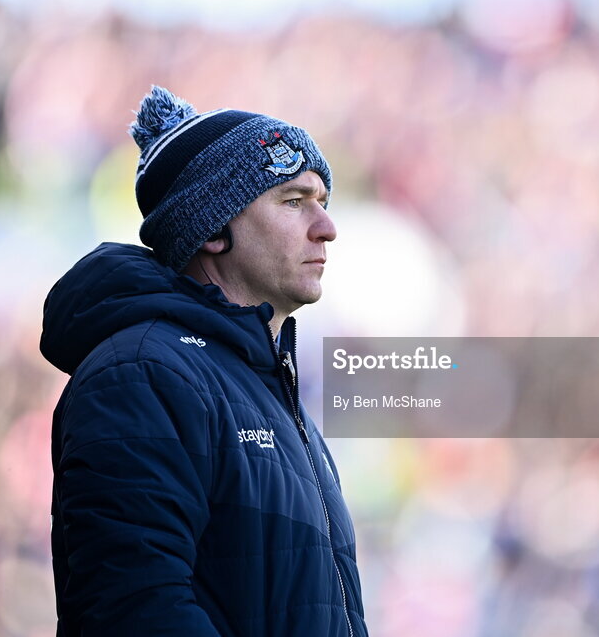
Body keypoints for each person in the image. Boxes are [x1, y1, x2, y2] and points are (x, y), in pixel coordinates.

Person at [40, 86, 367, 636]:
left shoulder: (264, 388)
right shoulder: (144, 372)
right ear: (212, 229)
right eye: (294, 201)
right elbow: (136, 614)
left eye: (323, 202)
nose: (326, 226)